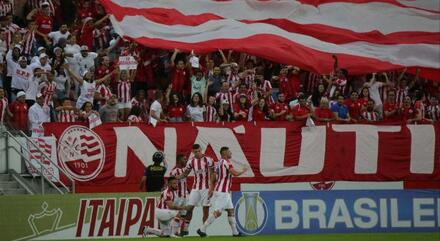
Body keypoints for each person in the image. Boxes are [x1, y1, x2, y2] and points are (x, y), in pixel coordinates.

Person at [197, 146, 247, 237]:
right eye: (229, 152)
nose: (231, 153)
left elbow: (214, 176)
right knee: (218, 212)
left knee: (230, 211)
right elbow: (235, 174)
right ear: (224, 153)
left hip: (223, 191)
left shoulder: (219, 163)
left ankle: (235, 232)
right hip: (223, 192)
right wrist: (243, 170)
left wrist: (212, 188)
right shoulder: (227, 162)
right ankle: (202, 229)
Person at [175, 144, 215, 234]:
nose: (197, 153)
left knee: (205, 210)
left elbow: (213, 174)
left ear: (201, 150)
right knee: (189, 208)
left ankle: (203, 230)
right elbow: (185, 174)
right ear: (192, 152)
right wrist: (176, 177)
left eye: (199, 151)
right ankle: (185, 229)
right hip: (195, 188)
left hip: (206, 188)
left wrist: (212, 188)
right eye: (195, 152)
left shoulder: (209, 160)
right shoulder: (191, 162)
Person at [169, 154, 189, 236]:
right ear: (179, 160)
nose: (186, 161)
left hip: (184, 196)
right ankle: (173, 232)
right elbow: (170, 184)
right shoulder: (174, 171)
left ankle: (178, 232)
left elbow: (183, 182)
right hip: (178, 196)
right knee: (177, 215)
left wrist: (188, 189)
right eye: (184, 159)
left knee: (183, 215)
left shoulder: (183, 170)